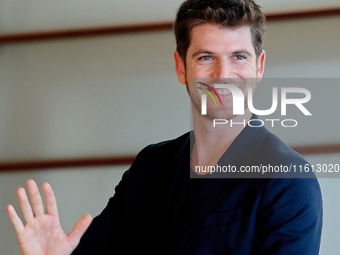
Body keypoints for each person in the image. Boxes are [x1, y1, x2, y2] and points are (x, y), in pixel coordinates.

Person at [7, 0, 322, 254]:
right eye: (205, 57)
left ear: (260, 66)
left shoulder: (287, 180)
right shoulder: (151, 167)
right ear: (180, 67)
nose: (222, 74)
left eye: (239, 57)